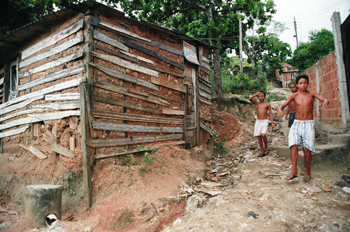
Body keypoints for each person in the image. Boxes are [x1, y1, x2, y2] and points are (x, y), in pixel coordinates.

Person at [277, 74, 328, 182]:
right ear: (297, 85)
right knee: (293, 145)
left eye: (305, 83)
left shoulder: (312, 93)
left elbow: (324, 99)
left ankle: (307, 171)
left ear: (308, 83)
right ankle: (294, 171)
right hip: (296, 124)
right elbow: (282, 105)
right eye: (300, 83)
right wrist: (280, 110)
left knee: (306, 149)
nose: (303, 85)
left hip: (308, 124)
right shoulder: (294, 96)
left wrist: (325, 102)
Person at [249, 90, 276, 157]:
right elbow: (250, 99)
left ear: (265, 97)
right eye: (259, 96)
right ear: (257, 97)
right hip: (258, 121)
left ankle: (266, 147)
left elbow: (270, 114)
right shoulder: (257, 103)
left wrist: (272, 123)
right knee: (259, 136)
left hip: (265, 121)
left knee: (263, 135)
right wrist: (256, 94)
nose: (260, 98)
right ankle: (262, 151)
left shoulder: (267, 105)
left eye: (262, 96)